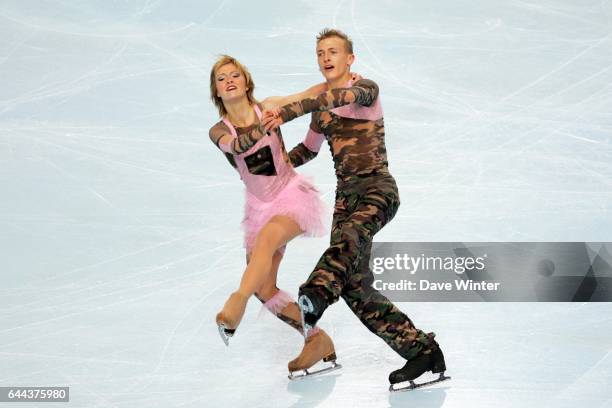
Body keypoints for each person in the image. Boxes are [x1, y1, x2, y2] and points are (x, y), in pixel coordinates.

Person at [262, 29, 449, 389]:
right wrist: (273, 164)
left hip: (377, 189)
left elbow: (324, 99)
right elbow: (309, 150)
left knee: (349, 238)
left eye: (333, 51)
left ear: (350, 58)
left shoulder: (365, 91)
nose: (326, 58)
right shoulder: (322, 109)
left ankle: (315, 294)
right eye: (320, 53)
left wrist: (284, 112)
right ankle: (422, 351)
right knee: (356, 289)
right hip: (345, 199)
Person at [207, 55, 342, 374]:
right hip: (259, 208)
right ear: (217, 91)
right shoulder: (218, 130)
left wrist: (341, 82)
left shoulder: (267, 106)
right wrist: (260, 129)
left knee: (267, 243)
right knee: (264, 287)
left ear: (245, 81)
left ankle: (235, 303)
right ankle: (315, 339)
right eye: (221, 78)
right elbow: (234, 146)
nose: (228, 80)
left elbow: (307, 96)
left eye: (234, 74)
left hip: (292, 197)